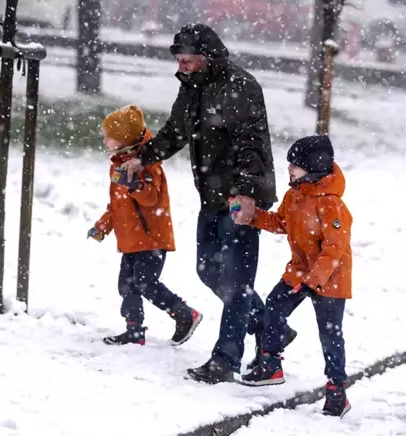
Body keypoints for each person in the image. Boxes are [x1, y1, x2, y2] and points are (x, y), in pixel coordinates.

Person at [119, 23, 296, 384]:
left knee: (237, 282)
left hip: (240, 199)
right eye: (179, 61)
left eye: (187, 61)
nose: (181, 67)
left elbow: (252, 145)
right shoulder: (192, 88)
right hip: (212, 195)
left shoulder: (240, 87)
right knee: (208, 270)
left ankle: (226, 361)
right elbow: (175, 131)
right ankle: (266, 325)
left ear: (208, 58)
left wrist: (246, 194)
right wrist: (144, 158)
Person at [234, 135, 353, 418]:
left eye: (295, 165)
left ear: (313, 167)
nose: (289, 168)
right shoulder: (295, 195)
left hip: (330, 278)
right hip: (301, 271)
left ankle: (337, 391)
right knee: (275, 304)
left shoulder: (332, 205)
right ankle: (270, 364)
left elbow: (334, 250)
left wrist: (314, 282)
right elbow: (281, 222)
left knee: (330, 334)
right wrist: (251, 216)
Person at [88, 104, 203, 347]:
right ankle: (134, 330)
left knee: (145, 283)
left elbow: (150, 198)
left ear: (124, 140)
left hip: (151, 238)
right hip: (131, 239)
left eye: (109, 137)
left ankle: (184, 314)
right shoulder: (119, 165)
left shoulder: (148, 166)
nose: (105, 140)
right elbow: (117, 205)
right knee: (126, 285)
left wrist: (134, 186)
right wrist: (102, 226)